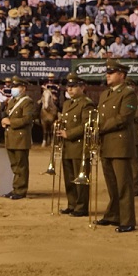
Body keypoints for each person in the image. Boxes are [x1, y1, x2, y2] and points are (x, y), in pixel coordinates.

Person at [95, 59, 137, 233]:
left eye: (111, 73)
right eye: (107, 73)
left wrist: (101, 128)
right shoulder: (105, 94)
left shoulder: (128, 93)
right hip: (106, 144)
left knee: (123, 184)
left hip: (120, 144)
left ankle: (127, 220)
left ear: (121, 75)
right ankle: (113, 215)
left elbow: (124, 117)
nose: (108, 75)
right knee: (112, 184)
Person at [56, 73, 94, 217]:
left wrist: (69, 133)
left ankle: (81, 207)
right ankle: (72, 204)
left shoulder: (86, 103)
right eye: (68, 86)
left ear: (82, 87)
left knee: (80, 178)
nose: (70, 89)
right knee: (69, 178)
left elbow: (87, 124)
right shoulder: (67, 104)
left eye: (73, 86)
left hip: (79, 146)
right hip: (67, 147)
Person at [1, 76, 35, 200]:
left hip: (21, 139)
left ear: (23, 88)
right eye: (13, 87)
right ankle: (16, 188)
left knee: (21, 165)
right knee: (14, 165)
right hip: (11, 137)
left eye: (16, 87)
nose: (14, 89)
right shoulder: (12, 101)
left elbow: (27, 119)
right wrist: (4, 121)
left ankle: (21, 190)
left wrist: (10, 122)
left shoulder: (27, 102)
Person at [125, 78, 138, 196]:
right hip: (126, 133)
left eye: (130, 85)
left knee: (135, 162)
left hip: (134, 132)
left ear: (133, 86)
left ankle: (136, 187)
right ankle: (130, 185)